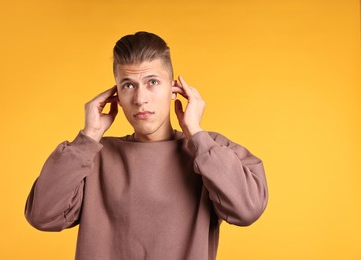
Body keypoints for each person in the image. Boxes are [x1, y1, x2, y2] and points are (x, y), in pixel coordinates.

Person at [25, 31, 268, 260]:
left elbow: (247, 210)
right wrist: (87, 138)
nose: (140, 99)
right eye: (128, 85)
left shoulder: (210, 150)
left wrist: (196, 133)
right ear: (117, 96)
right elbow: (42, 216)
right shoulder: (93, 156)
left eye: (152, 82)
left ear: (175, 90)